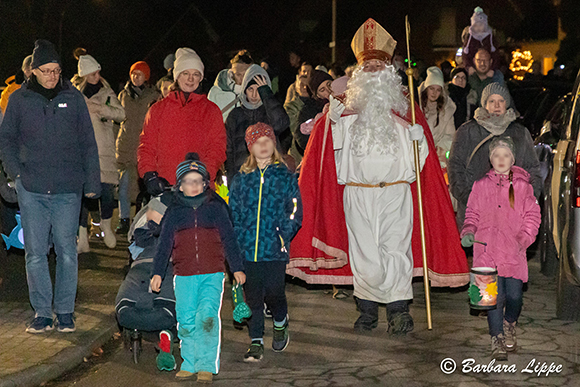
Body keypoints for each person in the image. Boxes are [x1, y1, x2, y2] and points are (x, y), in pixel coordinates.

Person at [295, 19, 469, 334]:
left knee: (396, 250)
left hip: (397, 192)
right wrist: (328, 123)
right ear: (359, 74)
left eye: (379, 66)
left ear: (388, 72)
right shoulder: (343, 112)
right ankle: (367, 310)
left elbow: (423, 164)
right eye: (369, 66)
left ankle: (398, 311)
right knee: (365, 254)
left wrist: (419, 138)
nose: (374, 72)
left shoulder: (406, 109)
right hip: (357, 193)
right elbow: (323, 151)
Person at [0, 39, 101, 333]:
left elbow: (87, 142)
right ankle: (42, 312)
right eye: (46, 70)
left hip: (67, 189)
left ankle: (65, 311)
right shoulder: (19, 99)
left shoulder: (74, 98)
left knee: (67, 251)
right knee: (35, 253)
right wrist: (15, 174)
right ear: (33, 71)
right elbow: (5, 140)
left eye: (56, 70)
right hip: (31, 188)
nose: (52, 76)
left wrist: (92, 181)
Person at [150, 153, 245, 383]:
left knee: (207, 316)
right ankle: (189, 362)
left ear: (205, 184)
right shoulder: (174, 213)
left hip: (212, 273)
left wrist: (237, 268)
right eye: (187, 181)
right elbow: (163, 245)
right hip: (184, 276)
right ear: (179, 186)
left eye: (197, 181)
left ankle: (206, 364)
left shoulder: (216, 209)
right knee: (186, 319)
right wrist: (157, 272)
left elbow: (229, 239)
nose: (192, 186)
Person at [461, 137, 540, 360]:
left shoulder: (523, 187)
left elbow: (532, 216)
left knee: (514, 296)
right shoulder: (480, 185)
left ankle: (510, 322)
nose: (501, 159)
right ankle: (496, 337)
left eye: (505, 155)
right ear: (491, 159)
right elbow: (472, 214)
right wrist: (468, 231)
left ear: (512, 159)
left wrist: (523, 238)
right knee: (491, 298)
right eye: (496, 155)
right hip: (486, 251)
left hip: (513, 251)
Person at [229, 123, 302, 362]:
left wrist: (284, 232)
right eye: (257, 142)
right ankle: (256, 341)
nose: (263, 145)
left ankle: (280, 321)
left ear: (273, 145)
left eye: (267, 141)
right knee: (253, 297)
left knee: (274, 292)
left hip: (274, 247)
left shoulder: (285, 176)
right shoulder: (241, 179)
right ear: (250, 147)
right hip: (248, 249)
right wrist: (238, 241)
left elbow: (294, 209)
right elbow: (234, 212)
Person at [448, 82, 542, 230]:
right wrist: (470, 199)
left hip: (511, 214)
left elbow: (533, 169)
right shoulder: (467, 132)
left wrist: (526, 200)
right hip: (475, 214)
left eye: (501, 101)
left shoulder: (520, 133)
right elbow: (455, 168)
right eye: (491, 101)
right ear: (484, 104)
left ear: (507, 104)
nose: (496, 105)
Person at [138, 48, 226, 194]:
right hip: (165, 186)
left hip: (198, 188)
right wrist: (149, 174)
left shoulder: (211, 110)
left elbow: (217, 147)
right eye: (186, 73)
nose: (190, 79)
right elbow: (147, 145)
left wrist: (206, 173)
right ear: (177, 76)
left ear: (201, 78)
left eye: (195, 74)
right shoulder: (158, 109)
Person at [75, 55, 126, 252]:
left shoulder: (107, 92)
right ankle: (82, 235)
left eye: (98, 72)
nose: (97, 76)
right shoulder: (75, 95)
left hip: (103, 149)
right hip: (81, 151)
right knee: (82, 194)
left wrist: (100, 108)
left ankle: (106, 225)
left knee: (106, 191)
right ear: (85, 75)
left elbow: (121, 114)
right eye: (93, 73)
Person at [224, 64, 289, 183]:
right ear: (244, 89)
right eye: (250, 89)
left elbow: (281, 124)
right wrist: (232, 180)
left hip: (270, 177)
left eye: (258, 90)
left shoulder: (270, 112)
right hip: (243, 178)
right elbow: (229, 151)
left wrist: (266, 94)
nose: (254, 95)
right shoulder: (235, 115)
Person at [116, 61, 160, 234]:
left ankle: (141, 220)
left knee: (143, 188)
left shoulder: (153, 96)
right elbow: (117, 121)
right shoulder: (123, 95)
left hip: (144, 146)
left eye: (139, 74)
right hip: (126, 145)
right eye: (134, 73)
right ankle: (123, 219)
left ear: (146, 77)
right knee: (124, 185)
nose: (136, 77)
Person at [419, 67, 456, 168]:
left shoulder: (447, 109)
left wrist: (440, 148)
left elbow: (450, 135)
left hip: (436, 158)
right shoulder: (416, 107)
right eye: (431, 88)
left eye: (438, 90)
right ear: (426, 88)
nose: (434, 93)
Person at [208, 50, 253, 121]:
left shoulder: (255, 93)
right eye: (238, 75)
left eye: (245, 75)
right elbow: (208, 118)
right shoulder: (216, 92)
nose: (242, 79)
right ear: (232, 73)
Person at [461, 7, 500, 74]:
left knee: (498, 76)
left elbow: (496, 55)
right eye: (475, 26)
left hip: (489, 70)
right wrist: (469, 67)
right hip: (473, 69)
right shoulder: (470, 38)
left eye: (480, 25)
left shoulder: (490, 37)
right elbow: (465, 55)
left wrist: (492, 69)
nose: (478, 28)